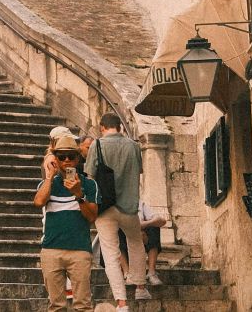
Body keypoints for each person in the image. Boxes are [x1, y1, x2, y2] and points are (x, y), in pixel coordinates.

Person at [85, 112, 150, 308]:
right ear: (120, 127)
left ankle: (122, 302)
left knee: (111, 253)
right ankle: (140, 288)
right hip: (129, 206)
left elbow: (89, 176)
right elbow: (138, 171)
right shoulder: (134, 146)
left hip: (105, 207)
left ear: (102, 127)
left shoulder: (97, 145)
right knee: (135, 243)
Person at [33, 135, 99, 312]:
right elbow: (38, 202)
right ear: (56, 159)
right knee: (56, 306)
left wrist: (79, 195)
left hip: (79, 250)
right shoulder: (48, 183)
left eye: (71, 156)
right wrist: (49, 177)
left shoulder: (89, 184)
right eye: (62, 156)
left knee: (83, 305)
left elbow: (92, 217)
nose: (67, 160)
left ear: (78, 158)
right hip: (52, 250)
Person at [117, 202, 167, 286]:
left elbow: (161, 221)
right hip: (123, 242)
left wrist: (145, 224)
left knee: (154, 227)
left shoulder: (140, 204)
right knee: (115, 231)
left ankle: (151, 272)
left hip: (140, 239)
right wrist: (137, 229)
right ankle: (127, 273)